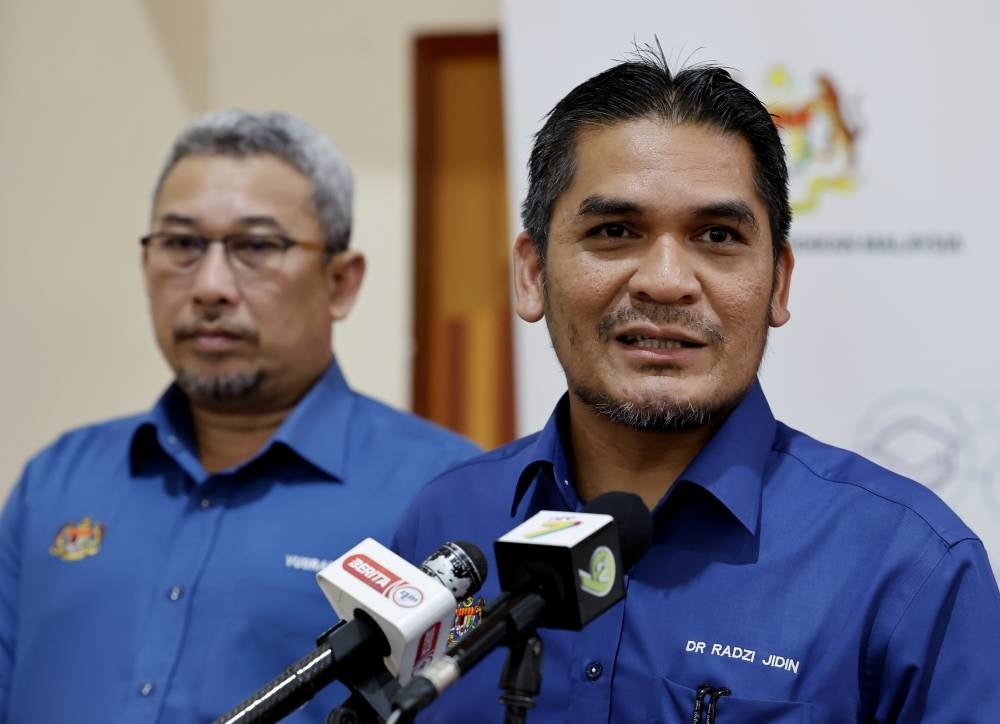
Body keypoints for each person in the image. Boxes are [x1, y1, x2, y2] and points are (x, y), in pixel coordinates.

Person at [393, 49, 1000, 722]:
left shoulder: (909, 568)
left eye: (716, 235)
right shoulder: (447, 523)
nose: (666, 280)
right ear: (533, 275)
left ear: (779, 282)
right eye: (616, 231)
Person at [0, 111, 479, 723]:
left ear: (340, 282)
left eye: (256, 246)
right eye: (181, 245)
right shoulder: (58, 480)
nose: (210, 285)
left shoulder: (442, 495)